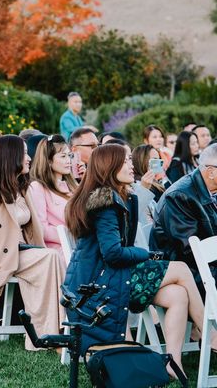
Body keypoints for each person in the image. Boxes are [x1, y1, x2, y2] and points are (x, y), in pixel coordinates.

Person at [64, 144, 216, 377]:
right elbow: (113, 254)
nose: (131, 164)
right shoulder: (104, 202)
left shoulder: (122, 196)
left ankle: (173, 363)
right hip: (100, 283)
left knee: (179, 293)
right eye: (125, 161)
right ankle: (211, 336)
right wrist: (147, 255)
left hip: (114, 276)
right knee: (182, 269)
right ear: (109, 167)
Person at [0, 135, 64, 349]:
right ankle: (46, 335)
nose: (29, 158)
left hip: (22, 252)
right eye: (25, 154)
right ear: (11, 156)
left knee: (53, 258)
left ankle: (49, 334)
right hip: (1, 257)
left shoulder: (20, 188)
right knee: (50, 257)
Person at [151, 143, 217, 292]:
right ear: (211, 172)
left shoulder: (211, 189)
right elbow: (188, 251)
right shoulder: (179, 196)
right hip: (187, 270)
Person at [29, 135, 78, 252]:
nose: (68, 160)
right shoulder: (37, 188)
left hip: (82, 247)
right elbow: (41, 228)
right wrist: (73, 236)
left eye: (69, 156)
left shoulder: (73, 185)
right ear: (49, 160)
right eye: (63, 156)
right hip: (60, 250)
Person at [131, 144, 171, 225]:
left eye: (159, 159)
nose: (159, 163)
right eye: (154, 160)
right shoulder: (142, 185)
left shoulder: (156, 182)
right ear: (142, 161)